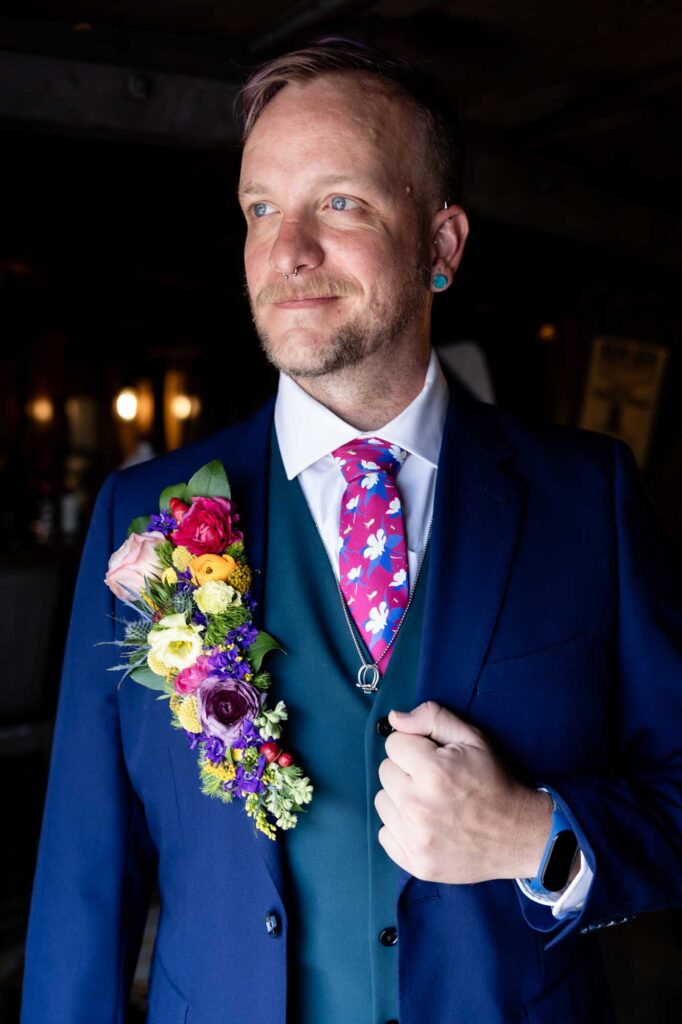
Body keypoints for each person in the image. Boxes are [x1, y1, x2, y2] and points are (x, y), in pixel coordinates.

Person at [21, 39, 682, 1024]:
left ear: (441, 245)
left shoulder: (585, 497)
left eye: (339, 202)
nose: (288, 251)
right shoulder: (142, 516)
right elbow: (83, 875)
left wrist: (533, 835)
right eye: (259, 209)